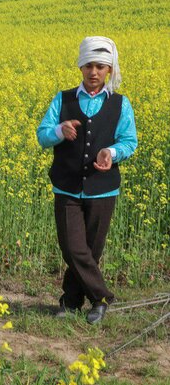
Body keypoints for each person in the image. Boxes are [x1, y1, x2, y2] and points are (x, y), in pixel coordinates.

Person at [36, 36, 137, 325]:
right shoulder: (63, 99)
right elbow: (42, 135)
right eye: (89, 66)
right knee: (72, 247)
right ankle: (101, 297)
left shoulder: (120, 104)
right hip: (66, 186)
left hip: (102, 189)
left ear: (109, 70)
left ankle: (70, 301)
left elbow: (129, 141)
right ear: (81, 67)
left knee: (91, 250)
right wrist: (59, 130)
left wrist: (111, 152)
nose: (94, 72)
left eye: (100, 67)